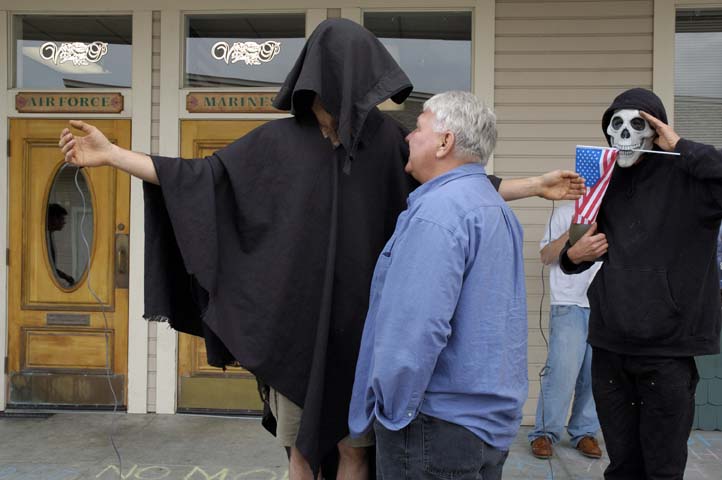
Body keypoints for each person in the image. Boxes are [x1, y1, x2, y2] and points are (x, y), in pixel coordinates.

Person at [59, 20, 584, 480]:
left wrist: (533, 185)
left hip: (364, 335)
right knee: (301, 453)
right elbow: (198, 178)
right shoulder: (275, 144)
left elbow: (460, 184)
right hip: (297, 333)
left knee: (355, 453)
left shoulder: (388, 142)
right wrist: (112, 155)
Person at [349, 91, 527, 480]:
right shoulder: (496, 209)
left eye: (418, 128)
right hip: (486, 427)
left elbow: (415, 328)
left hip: (432, 426)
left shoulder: (438, 212)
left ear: (445, 142)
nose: (408, 137)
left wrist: (392, 410)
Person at [561, 87, 722, 479]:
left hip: (667, 352)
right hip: (610, 347)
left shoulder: (691, 181)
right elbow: (576, 252)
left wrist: (680, 146)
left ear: (656, 130)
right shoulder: (602, 179)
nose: (625, 134)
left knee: (662, 470)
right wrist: (573, 255)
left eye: (637, 125)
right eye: (616, 125)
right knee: (622, 467)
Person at [529, 202, 602, 460]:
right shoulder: (564, 212)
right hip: (569, 302)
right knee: (561, 372)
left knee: (596, 375)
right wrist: (572, 231)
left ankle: (585, 432)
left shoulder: (617, 209)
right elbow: (546, 256)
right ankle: (544, 433)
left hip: (607, 304)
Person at [47, 203, 75, 285]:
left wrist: (65, 276)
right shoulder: (42, 238)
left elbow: (51, 267)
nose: (64, 222)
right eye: (62, 219)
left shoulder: (50, 235)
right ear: (54, 218)